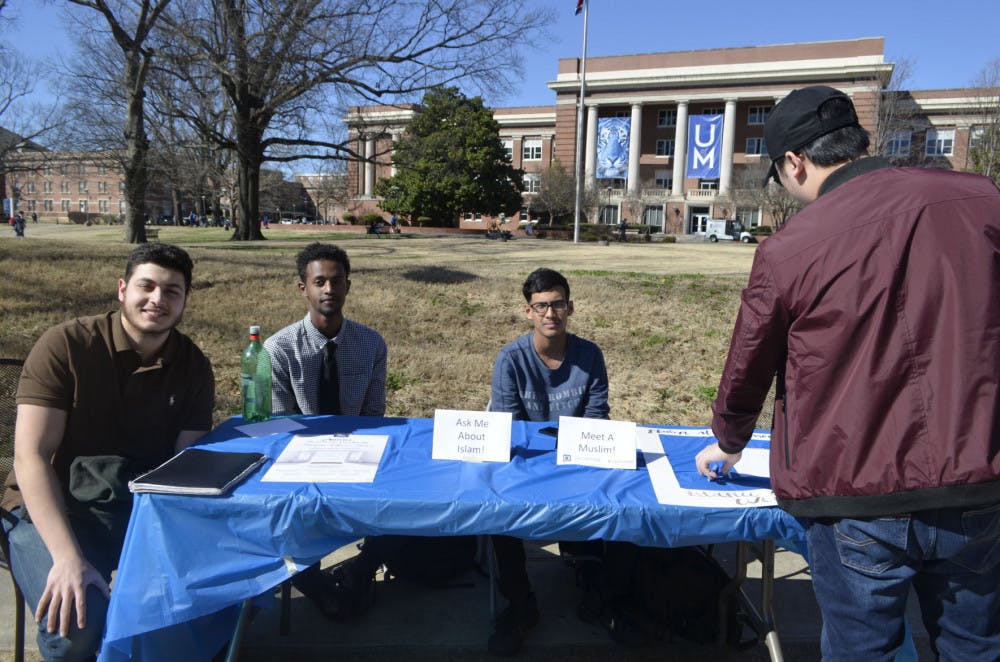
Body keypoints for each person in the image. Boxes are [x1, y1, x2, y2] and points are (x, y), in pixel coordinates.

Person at [694, 85, 1000, 661]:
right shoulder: (981, 199)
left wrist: (729, 440)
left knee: (864, 653)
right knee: (978, 648)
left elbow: (748, 360)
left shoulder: (791, 247)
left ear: (794, 161)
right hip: (976, 476)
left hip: (854, 492)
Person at [1, 243, 215, 661]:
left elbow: (184, 463)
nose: (158, 299)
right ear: (122, 289)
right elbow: (31, 458)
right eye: (147, 286)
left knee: (204, 607)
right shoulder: (66, 345)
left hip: (137, 511)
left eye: (173, 291)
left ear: (185, 300)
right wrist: (66, 558)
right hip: (53, 514)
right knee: (75, 631)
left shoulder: (192, 364)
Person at [488, 267, 627, 656]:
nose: (551, 314)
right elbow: (509, 428)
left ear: (570, 307)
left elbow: (597, 418)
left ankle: (598, 587)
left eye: (558, 305)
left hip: (578, 461)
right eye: (542, 306)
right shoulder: (511, 359)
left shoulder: (589, 355)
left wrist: (571, 455)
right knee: (500, 508)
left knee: (618, 496)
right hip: (527, 465)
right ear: (528, 312)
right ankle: (519, 603)